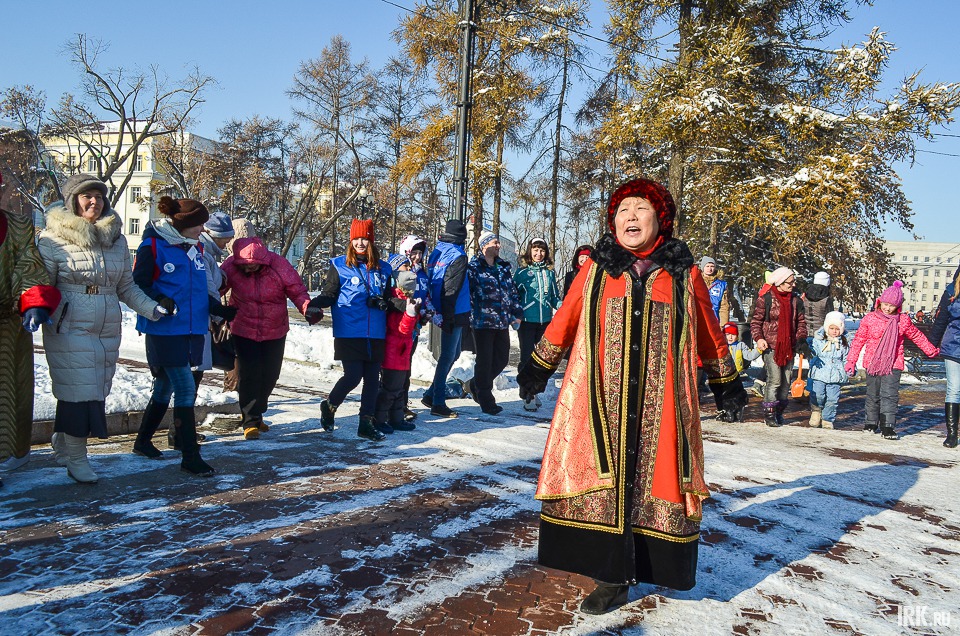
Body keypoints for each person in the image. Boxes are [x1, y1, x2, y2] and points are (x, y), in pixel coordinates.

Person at [517, 178, 748, 615]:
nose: (630, 217)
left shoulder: (684, 274)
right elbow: (565, 318)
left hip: (661, 408)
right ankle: (611, 578)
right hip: (602, 401)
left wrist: (727, 383)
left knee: (653, 486)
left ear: (660, 219)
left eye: (640, 209)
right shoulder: (597, 270)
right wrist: (538, 367)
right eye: (622, 211)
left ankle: (644, 567)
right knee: (604, 483)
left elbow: (709, 332)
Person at [36, 174, 161, 484]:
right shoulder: (52, 238)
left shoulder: (115, 238)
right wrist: (37, 308)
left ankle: (64, 441)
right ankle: (77, 459)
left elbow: (126, 286)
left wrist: (152, 308)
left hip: (107, 324)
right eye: (86, 196)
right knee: (79, 390)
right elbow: (42, 283)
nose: (95, 201)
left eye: (99, 196)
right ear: (72, 201)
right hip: (69, 322)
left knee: (95, 390)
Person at [132, 196, 235, 476]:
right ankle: (190, 455)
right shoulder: (153, 246)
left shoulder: (196, 249)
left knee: (165, 387)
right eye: (198, 225)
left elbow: (199, 289)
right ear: (183, 225)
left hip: (192, 329)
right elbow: (137, 285)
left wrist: (218, 310)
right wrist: (159, 299)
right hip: (164, 329)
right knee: (186, 388)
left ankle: (142, 442)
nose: (203, 230)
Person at [221, 237, 322, 440]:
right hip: (243, 327)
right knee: (250, 373)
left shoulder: (278, 265)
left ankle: (257, 412)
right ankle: (249, 421)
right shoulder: (231, 265)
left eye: (254, 266)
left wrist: (307, 308)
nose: (249, 270)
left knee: (271, 374)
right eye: (245, 267)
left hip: (275, 329)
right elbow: (216, 286)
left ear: (263, 261)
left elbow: (297, 290)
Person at [0, 169, 61, 488]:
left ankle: (8, 455)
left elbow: (28, 267)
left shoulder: (18, 226)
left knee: (7, 396)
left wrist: (34, 301)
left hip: (7, 331)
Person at [314, 219, 394, 441]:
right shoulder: (339, 265)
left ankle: (365, 423)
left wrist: (401, 304)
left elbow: (389, 298)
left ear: (371, 242)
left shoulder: (384, 269)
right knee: (353, 376)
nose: (361, 243)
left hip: (376, 331)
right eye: (357, 239)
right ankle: (329, 406)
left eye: (365, 239)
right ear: (351, 241)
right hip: (349, 330)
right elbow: (329, 293)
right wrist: (312, 303)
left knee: (372, 379)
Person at [846, 281, 939, 440]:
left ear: (898, 306)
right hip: (872, 363)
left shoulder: (902, 321)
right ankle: (870, 423)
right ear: (880, 302)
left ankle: (888, 426)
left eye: (892, 306)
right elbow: (858, 340)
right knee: (872, 394)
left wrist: (930, 349)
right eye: (885, 304)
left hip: (893, 363)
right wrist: (851, 361)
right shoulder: (870, 319)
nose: (888, 308)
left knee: (889, 395)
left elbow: (916, 336)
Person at [467, 231, 523, 416]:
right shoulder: (474, 268)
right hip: (482, 322)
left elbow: (512, 293)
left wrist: (517, 313)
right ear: (484, 246)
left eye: (498, 242)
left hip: (501, 322)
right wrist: (473, 314)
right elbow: (469, 295)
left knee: (502, 359)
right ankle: (485, 399)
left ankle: (476, 383)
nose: (498, 245)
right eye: (494, 242)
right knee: (484, 361)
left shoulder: (503, 267)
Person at [422, 219, 471, 418]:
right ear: (462, 238)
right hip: (454, 311)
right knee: (448, 356)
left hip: (440, 308)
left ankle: (430, 394)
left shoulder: (437, 252)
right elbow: (452, 288)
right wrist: (449, 317)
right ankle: (438, 402)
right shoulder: (459, 255)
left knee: (455, 353)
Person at [750, 267, 807, 427]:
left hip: (789, 346)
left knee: (786, 382)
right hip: (771, 346)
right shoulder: (766, 299)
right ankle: (769, 414)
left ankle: (779, 412)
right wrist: (759, 338)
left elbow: (801, 323)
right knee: (774, 380)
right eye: (790, 282)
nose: (793, 284)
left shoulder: (796, 301)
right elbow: (756, 322)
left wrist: (801, 339)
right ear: (781, 282)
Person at [513, 237, 562, 411]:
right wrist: (516, 313)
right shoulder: (522, 272)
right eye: (535, 250)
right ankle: (527, 394)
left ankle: (533, 390)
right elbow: (513, 295)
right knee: (527, 358)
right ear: (529, 251)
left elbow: (554, 297)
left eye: (541, 250)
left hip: (545, 321)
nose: (538, 254)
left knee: (542, 360)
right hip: (527, 321)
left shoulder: (549, 273)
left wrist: (563, 309)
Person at [373, 270, 420, 434]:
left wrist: (422, 316)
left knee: (399, 390)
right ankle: (379, 419)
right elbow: (401, 329)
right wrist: (410, 314)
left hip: (402, 354)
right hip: (394, 353)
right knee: (389, 390)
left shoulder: (405, 300)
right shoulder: (397, 303)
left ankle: (396, 418)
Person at [394, 234, 435, 421]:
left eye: (420, 253)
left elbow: (425, 297)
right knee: (393, 368)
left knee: (406, 367)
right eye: (414, 252)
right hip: (397, 326)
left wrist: (427, 312)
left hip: (414, 327)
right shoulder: (396, 269)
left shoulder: (422, 274)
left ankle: (402, 405)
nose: (417, 257)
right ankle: (390, 405)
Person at [930, 265, 960, 448]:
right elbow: (941, 321)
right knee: (954, 389)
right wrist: (930, 344)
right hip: (953, 346)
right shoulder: (950, 292)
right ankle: (952, 434)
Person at [807, 311, 849, 429]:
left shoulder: (843, 343)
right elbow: (812, 353)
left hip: (836, 375)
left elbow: (846, 358)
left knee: (832, 399)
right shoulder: (819, 341)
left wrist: (849, 367)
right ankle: (816, 411)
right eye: (831, 328)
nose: (834, 331)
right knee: (818, 395)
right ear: (826, 327)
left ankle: (827, 418)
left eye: (837, 328)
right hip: (819, 373)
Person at [717, 322, 760, 422]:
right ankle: (727, 411)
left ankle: (735, 409)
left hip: (736, 374)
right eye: (727, 335)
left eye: (733, 335)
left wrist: (758, 350)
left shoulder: (740, 345)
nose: (730, 337)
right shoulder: (722, 346)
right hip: (724, 375)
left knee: (735, 394)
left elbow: (749, 356)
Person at [803, 271, 835, 338]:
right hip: (821, 334)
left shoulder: (805, 295)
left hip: (805, 332)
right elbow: (831, 319)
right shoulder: (827, 299)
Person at [699, 256, 730, 325]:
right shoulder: (696, 281)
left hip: (714, 320)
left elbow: (724, 307)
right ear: (702, 267)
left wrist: (723, 325)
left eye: (712, 266)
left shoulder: (721, 285)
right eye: (707, 266)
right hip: (699, 319)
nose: (709, 269)